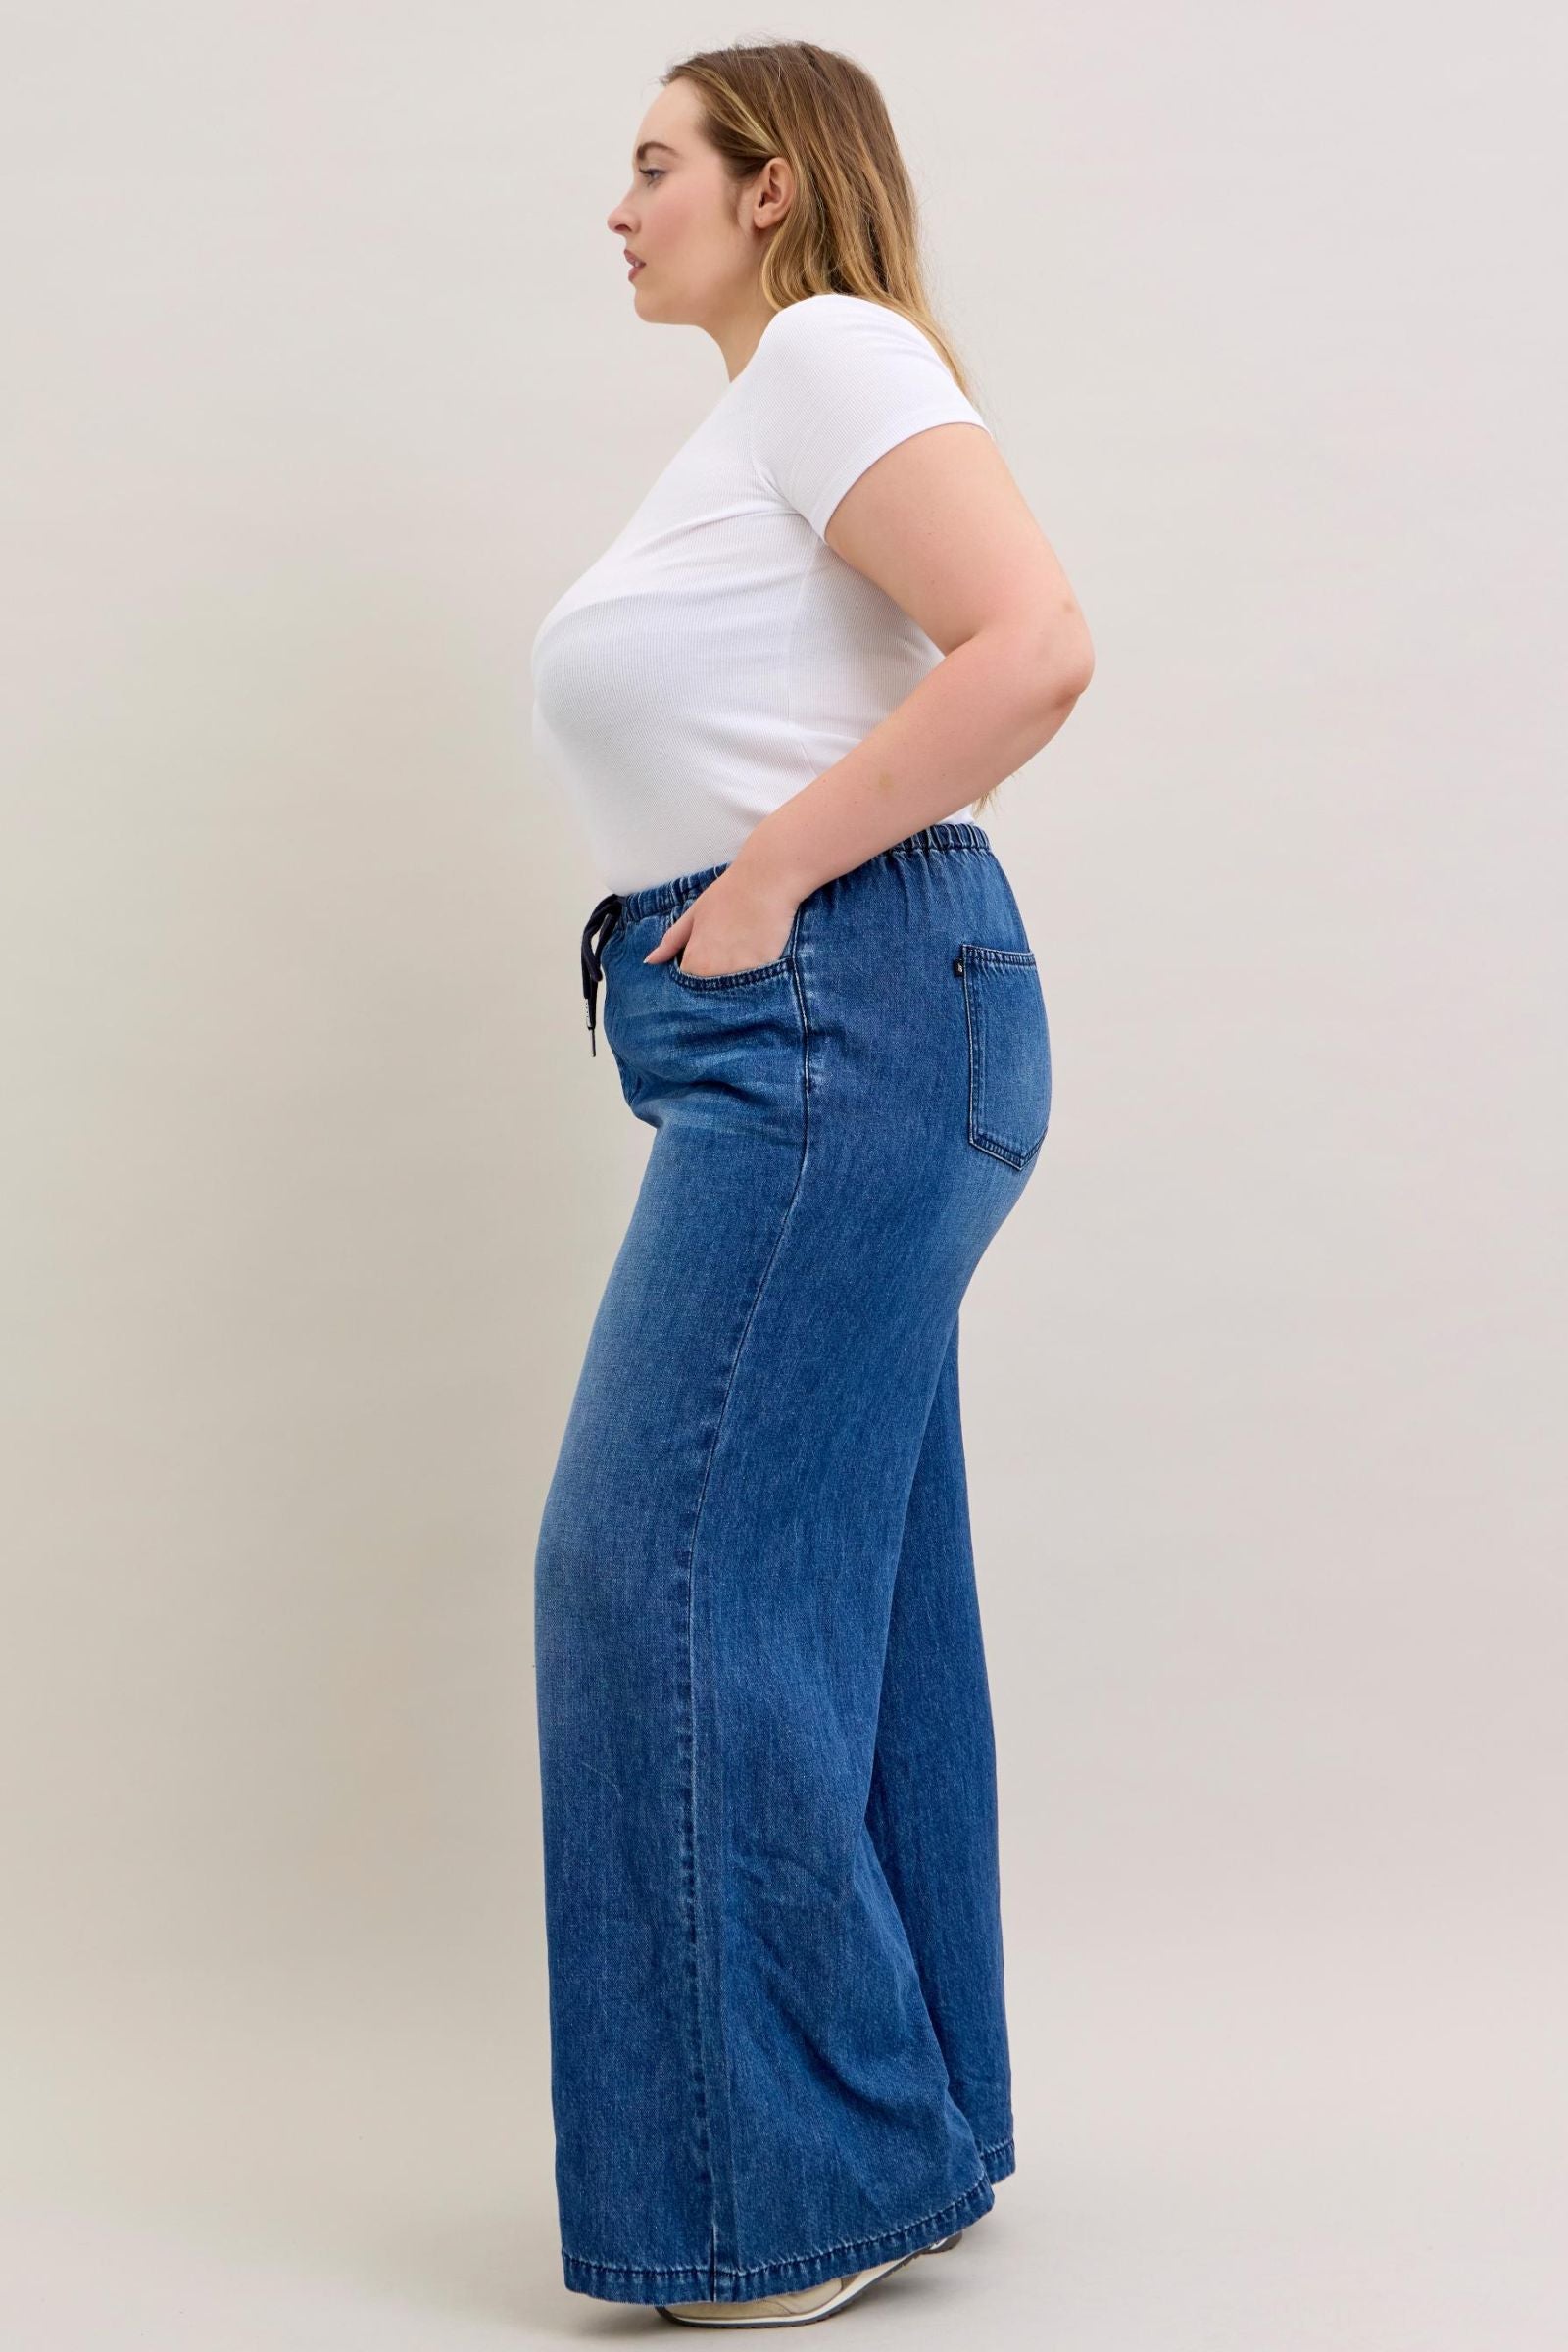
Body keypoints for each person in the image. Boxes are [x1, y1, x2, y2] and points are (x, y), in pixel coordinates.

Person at [529, 39, 1094, 2328]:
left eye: (653, 162)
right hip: (830, 1023)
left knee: (652, 1571)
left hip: (835, 1010)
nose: (616, 206)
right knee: (831, 1591)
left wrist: (762, 876)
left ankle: (778, 2198)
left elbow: (1031, 642)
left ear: (772, 189)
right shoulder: (764, 414)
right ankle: (898, 2135)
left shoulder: (831, 354)